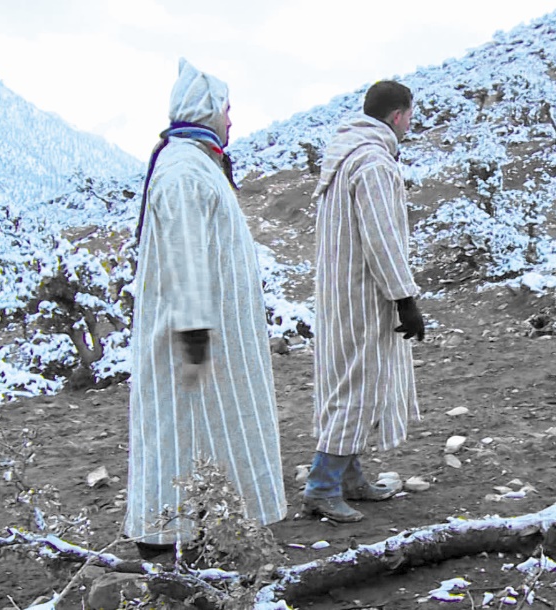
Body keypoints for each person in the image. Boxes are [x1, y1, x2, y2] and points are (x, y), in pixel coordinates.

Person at [125, 59, 286, 558]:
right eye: (227, 109)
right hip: (191, 337)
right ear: (207, 111)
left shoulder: (194, 164)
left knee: (211, 431)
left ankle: (207, 534)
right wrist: (194, 329)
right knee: (181, 433)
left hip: (211, 335)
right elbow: (182, 249)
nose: (232, 120)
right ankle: (165, 541)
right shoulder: (181, 171)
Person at [304, 80, 425, 522]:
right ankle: (321, 486)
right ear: (396, 116)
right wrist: (405, 297)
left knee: (351, 381)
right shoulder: (373, 163)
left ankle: (351, 477)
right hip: (363, 293)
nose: (411, 122)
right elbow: (382, 238)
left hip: (341, 291)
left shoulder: (346, 157)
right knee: (359, 383)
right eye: (409, 114)